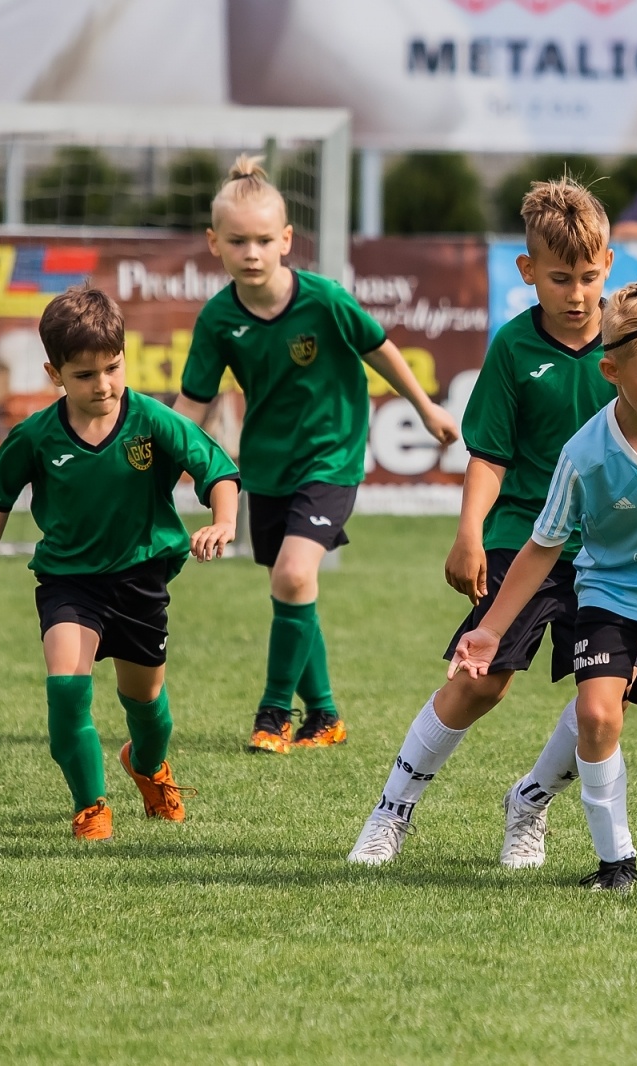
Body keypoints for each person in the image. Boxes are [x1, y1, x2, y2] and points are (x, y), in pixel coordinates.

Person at [347, 177, 617, 869]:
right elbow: (490, 456)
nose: (578, 293)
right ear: (528, 273)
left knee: (607, 697)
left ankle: (529, 802)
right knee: (480, 678)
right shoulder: (513, 349)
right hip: (524, 537)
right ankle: (392, 810)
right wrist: (470, 532)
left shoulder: (631, 341)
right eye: (560, 278)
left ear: (609, 265)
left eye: (590, 276)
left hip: (614, 549)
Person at [450, 282, 637, 892]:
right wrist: (489, 631)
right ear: (612, 371)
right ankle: (618, 865)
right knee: (596, 713)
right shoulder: (584, 453)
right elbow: (541, 546)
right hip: (608, 592)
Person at [175, 156, 459, 754]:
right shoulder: (218, 319)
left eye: (262, 240)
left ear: (285, 241)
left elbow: (379, 349)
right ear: (214, 244)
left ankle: (274, 714)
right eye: (236, 241)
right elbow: (192, 405)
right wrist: (155, 458)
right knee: (291, 589)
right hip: (267, 468)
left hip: (331, 460)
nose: (250, 252)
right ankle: (324, 715)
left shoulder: (324, 300)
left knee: (295, 574)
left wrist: (425, 407)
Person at [0, 288, 241, 841]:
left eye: (112, 368)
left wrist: (224, 520)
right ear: (54, 373)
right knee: (66, 691)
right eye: (84, 375)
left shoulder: (152, 420)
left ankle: (149, 764)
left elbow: (217, 471)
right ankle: (91, 806)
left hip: (140, 582)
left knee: (147, 706)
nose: (103, 384)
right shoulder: (37, 434)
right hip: (69, 581)